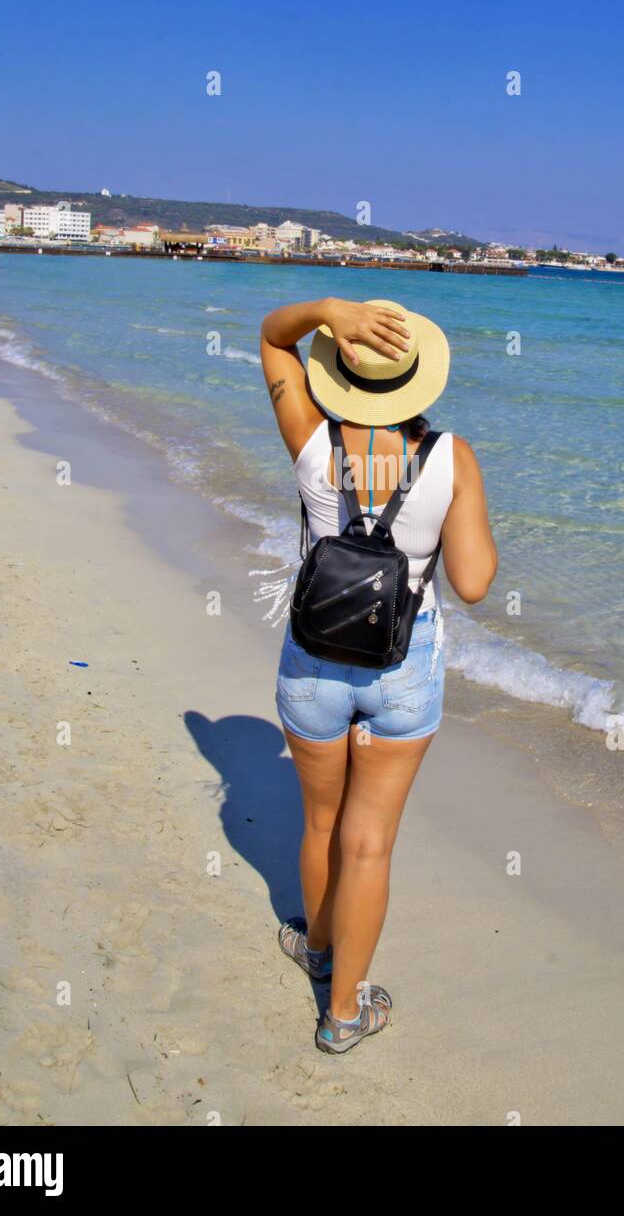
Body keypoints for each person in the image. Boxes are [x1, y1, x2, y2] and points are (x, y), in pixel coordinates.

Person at [260, 295, 497, 1053]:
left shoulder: (309, 437)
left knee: (322, 822)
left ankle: (318, 950)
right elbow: (472, 583)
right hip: (402, 668)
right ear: (419, 377)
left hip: (313, 659)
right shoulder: (451, 456)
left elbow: (271, 338)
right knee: (368, 844)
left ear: (337, 368)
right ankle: (343, 1015)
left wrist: (325, 310)